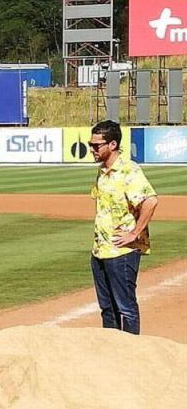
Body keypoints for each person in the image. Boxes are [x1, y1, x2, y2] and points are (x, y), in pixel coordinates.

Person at [88, 120, 157, 334]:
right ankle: (112, 355)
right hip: (100, 250)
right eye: (91, 145)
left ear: (113, 145)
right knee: (107, 309)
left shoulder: (129, 171)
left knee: (125, 308)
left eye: (96, 145)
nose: (92, 150)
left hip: (122, 252)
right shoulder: (103, 172)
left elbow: (150, 201)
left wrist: (134, 233)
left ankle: (131, 355)